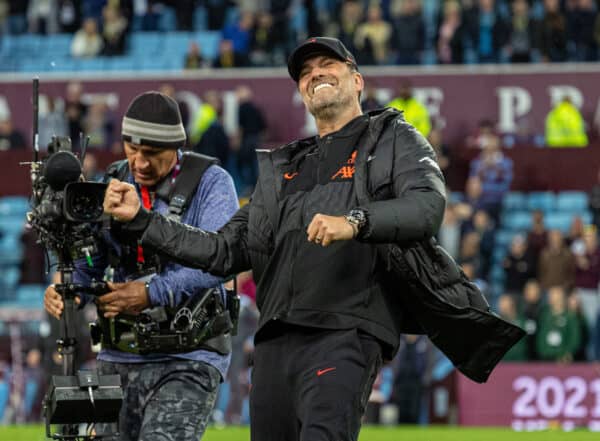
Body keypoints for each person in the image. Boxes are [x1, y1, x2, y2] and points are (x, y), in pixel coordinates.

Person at [104, 37, 523, 441]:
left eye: (328, 66)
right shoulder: (284, 167)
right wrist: (142, 221)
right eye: (305, 72)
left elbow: (427, 207)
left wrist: (355, 221)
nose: (315, 74)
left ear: (357, 80)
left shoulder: (393, 138)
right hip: (274, 342)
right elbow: (221, 250)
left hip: (345, 332)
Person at [43, 91, 239, 441]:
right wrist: (69, 290)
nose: (140, 164)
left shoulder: (212, 182)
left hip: (189, 355)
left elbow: (220, 261)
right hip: (119, 356)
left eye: (152, 154)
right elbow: (93, 259)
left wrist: (150, 293)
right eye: (132, 151)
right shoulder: (114, 179)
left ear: (177, 147)